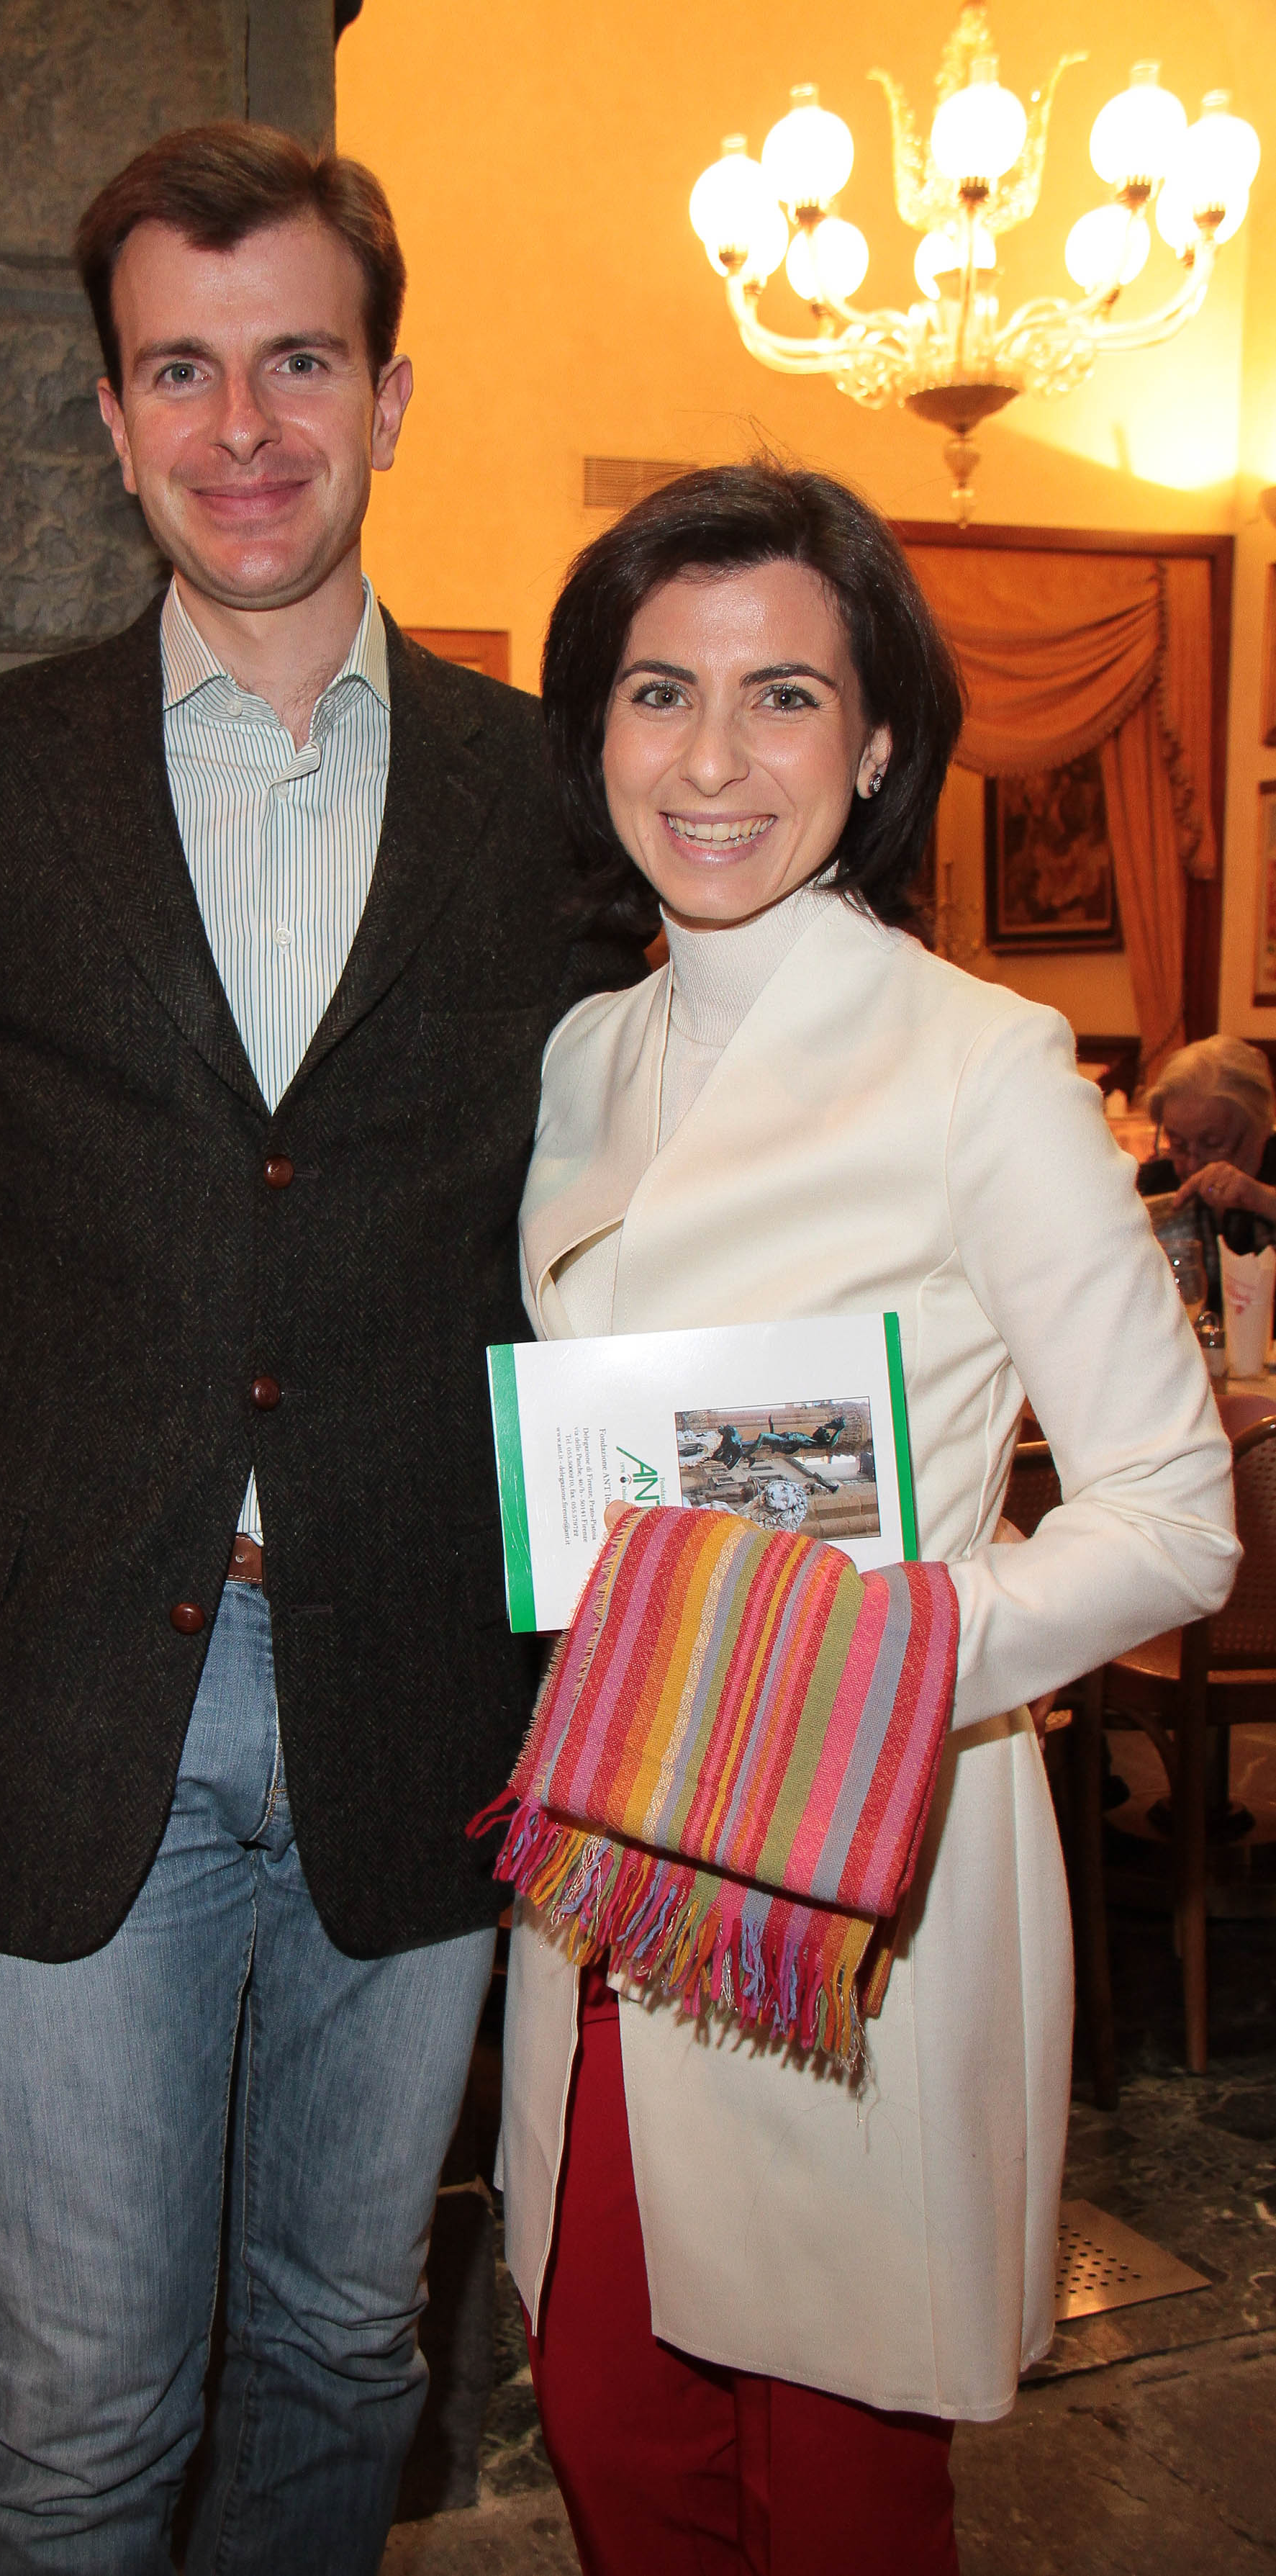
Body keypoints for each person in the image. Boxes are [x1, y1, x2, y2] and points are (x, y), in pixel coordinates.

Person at [0, 123, 641, 2572]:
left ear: (391, 393)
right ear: (108, 419)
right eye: (178, 370)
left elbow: (664, 1216)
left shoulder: (562, 802)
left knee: (344, 2349)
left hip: (433, 1695)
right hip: (81, 1700)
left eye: (297, 357)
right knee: (80, 2423)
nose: (244, 427)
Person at [499, 464, 1239, 2575]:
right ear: (597, 730)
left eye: (784, 695)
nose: (715, 759)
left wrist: (862, 1650)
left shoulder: (979, 1060)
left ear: (880, 740)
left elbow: (1175, 1515)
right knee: (612, 2414)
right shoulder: (577, 1060)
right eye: (660, 691)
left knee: (831, 2476)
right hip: (612, 1862)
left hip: (858, 1871)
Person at [1137, 1033, 1276, 1300]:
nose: (1191, 1164)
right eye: (1177, 1144)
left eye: (1212, 1144)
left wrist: (1263, 1200)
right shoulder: (1151, 1188)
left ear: (1259, 1129)